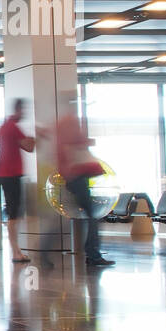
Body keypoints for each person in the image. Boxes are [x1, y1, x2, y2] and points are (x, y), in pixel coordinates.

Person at [54, 97, 112, 268]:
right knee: (92, 216)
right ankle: (93, 253)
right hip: (77, 177)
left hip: (74, 178)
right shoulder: (69, 124)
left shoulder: (62, 125)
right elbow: (75, 146)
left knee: (87, 215)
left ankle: (91, 253)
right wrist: (86, 141)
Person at [0, 99, 35, 263]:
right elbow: (29, 148)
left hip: (5, 173)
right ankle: (16, 252)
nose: (25, 113)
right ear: (18, 109)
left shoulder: (5, 126)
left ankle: (16, 251)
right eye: (23, 110)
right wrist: (34, 137)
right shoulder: (12, 127)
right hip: (11, 174)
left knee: (13, 213)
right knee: (14, 214)